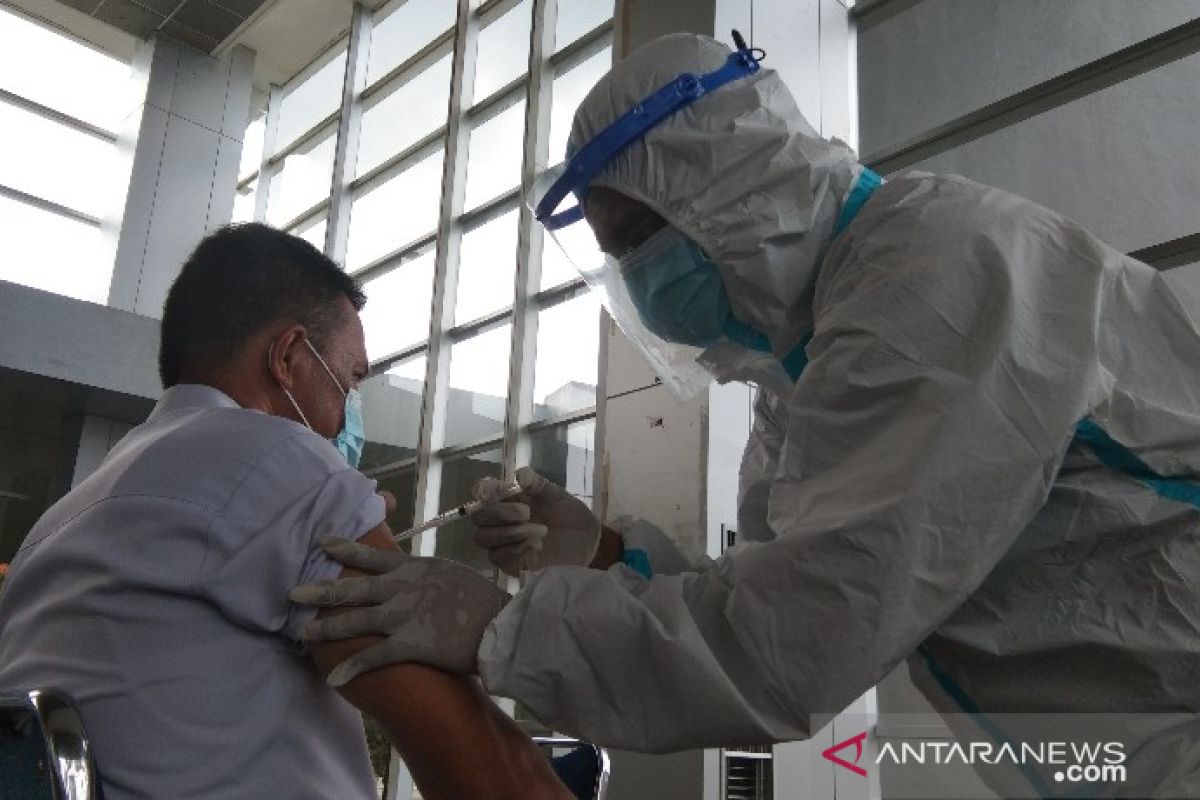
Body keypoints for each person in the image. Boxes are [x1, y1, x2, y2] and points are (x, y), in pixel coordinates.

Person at [292, 33, 1200, 796]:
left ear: (727, 185)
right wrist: (601, 551)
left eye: (635, 243)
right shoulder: (806, 363)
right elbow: (771, 582)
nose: (641, 287)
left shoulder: (936, 288)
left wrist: (498, 627)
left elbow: (790, 645)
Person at [0, 224, 570, 799]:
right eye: (350, 379)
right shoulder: (281, 463)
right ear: (288, 355)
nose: (348, 410)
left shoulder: (65, 516)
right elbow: (490, 770)